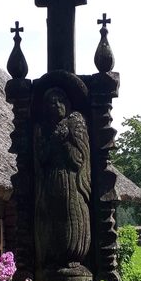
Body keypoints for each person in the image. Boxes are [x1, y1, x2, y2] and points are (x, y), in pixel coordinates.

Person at [34, 87, 91, 270]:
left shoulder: (75, 123)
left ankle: (73, 254)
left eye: (59, 100)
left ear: (66, 103)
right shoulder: (43, 129)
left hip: (72, 182)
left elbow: (79, 158)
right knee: (51, 216)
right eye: (52, 102)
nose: (56, 105)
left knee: (71, 213)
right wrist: (55, 142)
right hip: (51, 181)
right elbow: (41, 157)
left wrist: (66, 146)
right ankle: (52, 255)